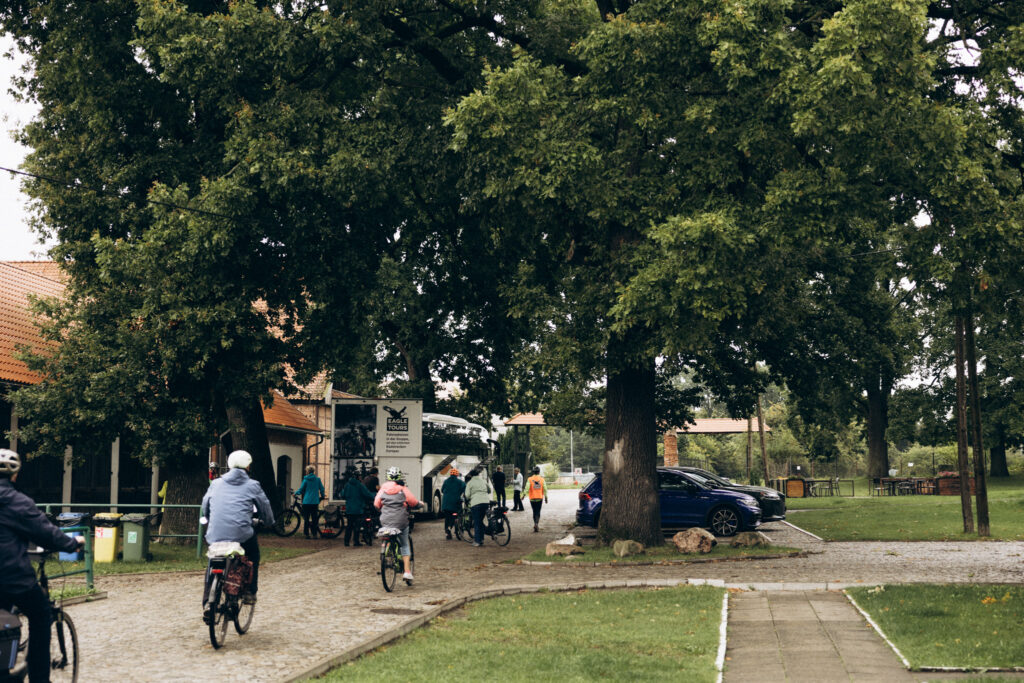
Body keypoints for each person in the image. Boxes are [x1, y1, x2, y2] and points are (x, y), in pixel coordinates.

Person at [0, 449, 84, 683]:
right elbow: (45, 532)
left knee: (5, 618)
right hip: (11, 576)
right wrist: (72, 543)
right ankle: (39, 678)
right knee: (40, 615)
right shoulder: (17, 501)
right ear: (15, 475)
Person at [201, 450, 274, 605]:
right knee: (253, 555)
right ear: (248, 466)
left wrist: (209, 518)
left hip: (215, 534)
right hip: (241, 535)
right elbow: (265, 507)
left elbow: (205, 506)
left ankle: (208, 602)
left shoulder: (216, 484)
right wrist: (268, 522)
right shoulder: (253, 485)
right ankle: (250, 592)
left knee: (213, 560)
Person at [374, 466, 419, 581]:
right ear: (399, 476)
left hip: (385, 520)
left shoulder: (383, 488)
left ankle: (388, 550)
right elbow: (413, 502)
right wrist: (420, 504)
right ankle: (407, 572)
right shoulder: (403, 488)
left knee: (387, 533)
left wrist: (382, 509)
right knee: (404, 544)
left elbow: (376, 504)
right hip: (401, 520)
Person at [341, 472, 374, 546]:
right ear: (358, 477)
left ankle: (346, 542)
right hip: (358, 509)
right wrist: (374, 497)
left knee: (349, 526)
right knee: (357, 526)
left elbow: (343, 494)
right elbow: (367, 494)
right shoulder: (360, 485)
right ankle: (356, 541)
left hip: (349, 509)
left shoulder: (347, 485)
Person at [295, 465, 326, 538]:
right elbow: (322, 489)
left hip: (306, 502)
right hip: (315, 502)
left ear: (308, 471)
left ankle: (307, 534)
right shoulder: (317, 480)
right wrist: (323, 495)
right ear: (313, 471)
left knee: (306, 518)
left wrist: (295, 493)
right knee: (314, 518)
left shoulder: (305, 480)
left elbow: (301, 490)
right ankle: (314, 534)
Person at [463, 470, 491, 546]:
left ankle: (477, 541)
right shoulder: (483, 481)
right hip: (485, 502)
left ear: (471, 475)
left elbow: (467, 495)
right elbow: (489, 490)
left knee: (477, 522)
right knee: (480, 521)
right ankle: (481, 538)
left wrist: (469, 498)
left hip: (476, 503)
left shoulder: (470, 483)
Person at [440, 468, 465, 539]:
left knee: (447, 517)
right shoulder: (460, 482)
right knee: (454, 515)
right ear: (457, 475)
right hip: (455, 503)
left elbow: (442, 490)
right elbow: (464, 488)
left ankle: (447, 533)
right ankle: (450, 527)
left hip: (446, 503)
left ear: (450, 474)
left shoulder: (446, 481)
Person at [526, 465, 548, 532]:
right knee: (538, 512)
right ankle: (536, 523)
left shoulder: (529, 479)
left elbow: (527, 487)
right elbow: (545, 489)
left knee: (534, 511)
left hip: (532, 498)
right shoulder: (542, 479)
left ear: (533, 472)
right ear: (539, 472)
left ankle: (535, 523)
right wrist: (546, 497)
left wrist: (523, 495)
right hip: (539, 498)